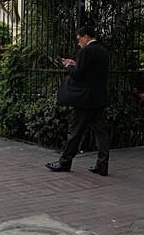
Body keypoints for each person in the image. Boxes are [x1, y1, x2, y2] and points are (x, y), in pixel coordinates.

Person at [46, 25, 111, 176]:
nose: (78, 42)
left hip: (84, 100)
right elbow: (91, 71)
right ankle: (102, 165)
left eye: (79, 39)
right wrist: (76, 64)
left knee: (75, 132)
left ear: (86, 37)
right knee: (101, 133)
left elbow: (77, 75)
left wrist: (69, 66)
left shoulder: (86, 51)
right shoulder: (102, 51)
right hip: (99, 98)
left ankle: (64, 162)